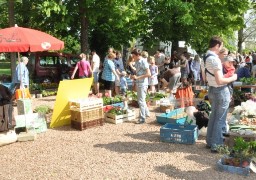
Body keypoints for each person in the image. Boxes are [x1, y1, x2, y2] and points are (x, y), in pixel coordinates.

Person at [204, 36, 237, 153]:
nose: (221, 48)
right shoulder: (215, 59)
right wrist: (233, 77)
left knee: (214, 116)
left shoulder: (206, 57)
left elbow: (205, 77)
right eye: (221, 46)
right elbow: (220, 81)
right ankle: (216, 145)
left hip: (212, 89)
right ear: (217, 45)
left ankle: (210, 141)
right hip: (220, 90)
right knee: (220, 118)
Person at [131, 49, 151, 124]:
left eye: (134, 56)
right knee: (141, 100)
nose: (133, 58)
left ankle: (142, 119)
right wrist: (133, 76)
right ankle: (147, 113)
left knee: (141, 101)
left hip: (143, 84)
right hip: (139, 83)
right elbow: (137, 72)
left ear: (138, 55)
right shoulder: (136, 62)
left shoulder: (143, 61)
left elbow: (149, 74)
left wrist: (137, 77)